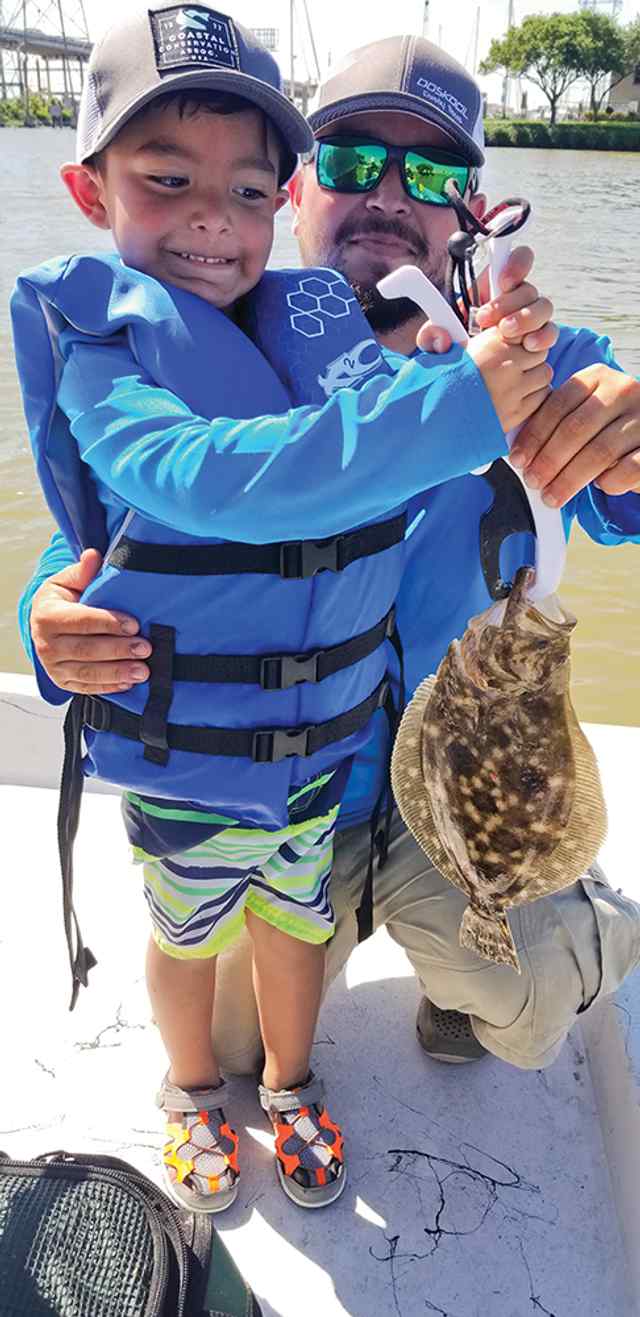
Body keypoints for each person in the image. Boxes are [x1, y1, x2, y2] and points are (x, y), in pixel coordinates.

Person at [20, 32, 640, 1148]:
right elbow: (131, 523)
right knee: (235, 1049)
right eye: (355, 160)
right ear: (298, 186)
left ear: (473, 210)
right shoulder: (197, 333)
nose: (393, 196)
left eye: (435, 173)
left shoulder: (529, 359)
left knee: (532, 987)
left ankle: (461, 978)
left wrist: (624, 432)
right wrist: (48, 618)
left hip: (462, 784)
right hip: (288, 781)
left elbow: (618, 466)